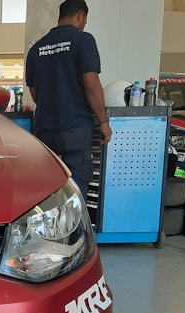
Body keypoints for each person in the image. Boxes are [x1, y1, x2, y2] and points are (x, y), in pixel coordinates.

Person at [25, 0, 112, 198]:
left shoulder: (37, 49)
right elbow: (91, 84)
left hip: (45, 132)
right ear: (81, 16)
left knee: (49, 190)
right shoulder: (83, 40)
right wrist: (103, 122)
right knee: (75, 190)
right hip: (75, 130)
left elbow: (34, 91)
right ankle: (72, 228)